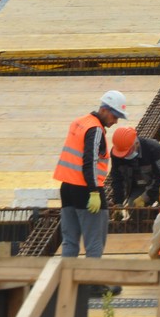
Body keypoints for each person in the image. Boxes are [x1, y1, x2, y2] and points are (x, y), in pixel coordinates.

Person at [54, 90, 129, 259]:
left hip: (67, 188)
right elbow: (90, 162)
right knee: (94, 243)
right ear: (104, 110)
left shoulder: (79, 122)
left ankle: (67, 283)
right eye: (115, 116)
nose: (116, 121)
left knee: (69, 242)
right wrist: (94, 192)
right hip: (86, 190)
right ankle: (92, 284)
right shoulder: (95, 129)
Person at [108, 126, 160, 215]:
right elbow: (117, 179)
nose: (125, 156)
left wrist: (144, 198)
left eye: (127, 152)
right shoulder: (117, 153)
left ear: (136, 143)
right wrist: (118, 204)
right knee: (133, 208)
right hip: (141, 184)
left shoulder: (153, 148)